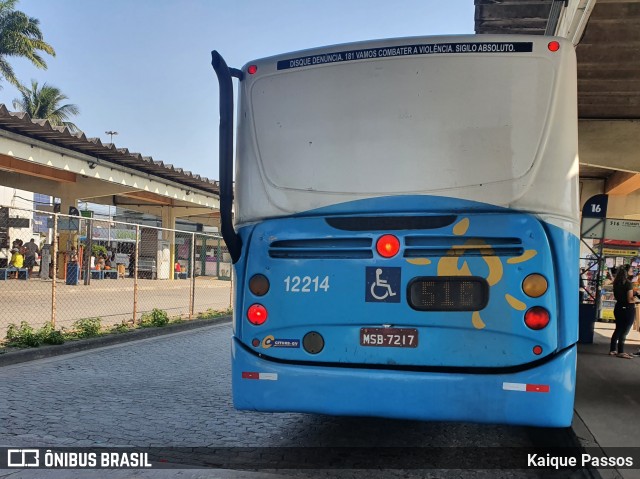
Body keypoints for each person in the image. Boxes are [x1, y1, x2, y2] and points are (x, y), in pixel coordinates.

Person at [609, 264, 637, 359]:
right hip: (628, 309)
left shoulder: (616, 282)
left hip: (618, 308)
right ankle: (621, 351)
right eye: (631, 269)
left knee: (618, 329)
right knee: (625, 331)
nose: (632, 271)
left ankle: (613, 349)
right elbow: (630, 299)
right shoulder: (628, 283)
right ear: (627, 272)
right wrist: (637, 300)